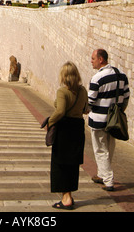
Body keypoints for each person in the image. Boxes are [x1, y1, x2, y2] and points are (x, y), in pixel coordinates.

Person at [48, 62, 88, 210]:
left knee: (60, 164)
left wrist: (50, 122)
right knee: (72, 164)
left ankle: (66, 199)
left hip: (64, 129)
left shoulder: (62, 91)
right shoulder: (83, 90)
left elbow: (60, 112)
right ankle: (69, 195)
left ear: (64, 75)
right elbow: (86, 109)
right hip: (77, 128)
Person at [88, 49, 130, 191]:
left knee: (100, 150)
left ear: (101, 60)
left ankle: (108, 180)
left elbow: (91, 100)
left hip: (98, 120)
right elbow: (126, 97)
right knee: (109, 148)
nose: (91, 61)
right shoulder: (121, 76)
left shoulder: (97, 78)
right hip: (114, 121)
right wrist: (119, 111)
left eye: (93, 58)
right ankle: (101, 174)